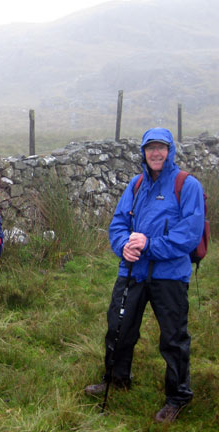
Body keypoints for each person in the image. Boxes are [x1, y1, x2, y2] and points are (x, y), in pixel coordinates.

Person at [84, 128, 205, 423]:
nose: (155, 153)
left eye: (161, 148)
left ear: (170, 150)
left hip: (171, 275)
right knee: (118, 328)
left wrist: (150, 245)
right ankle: (116, 379)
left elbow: (189, 234)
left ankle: (177, 396)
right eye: (150, 148)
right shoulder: (136, 185)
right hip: (133, 270)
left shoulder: (186, 185)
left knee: (173, 338)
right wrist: (123, 246)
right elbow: (118, 223)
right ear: (143, 152)